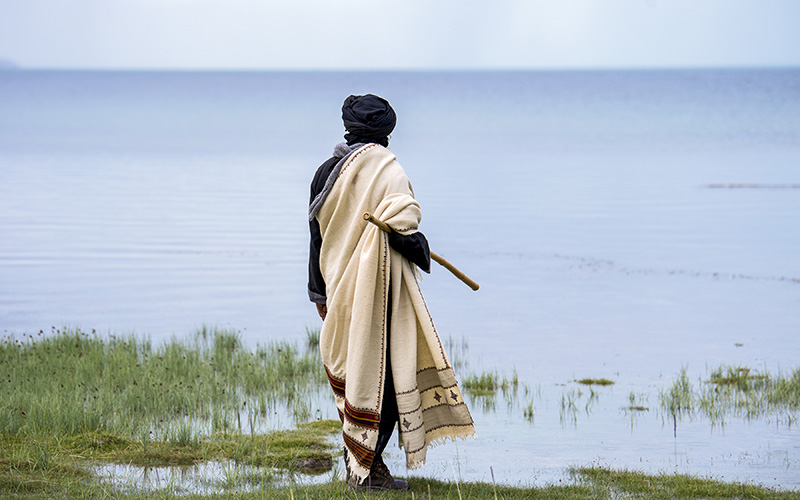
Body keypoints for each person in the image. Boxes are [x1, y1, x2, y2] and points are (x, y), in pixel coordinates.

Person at [308, 94, 475, 491]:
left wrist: (318, 294)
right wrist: (419, 248)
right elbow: (404, 230)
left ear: (348, 126)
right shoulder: (389, 171)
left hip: (337, 289)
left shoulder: (325, 172)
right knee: (380, 381)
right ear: (386, 131)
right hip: (378, 293)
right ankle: (365, 472)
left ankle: (364, 467)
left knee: (357, 375)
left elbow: (316, 239)